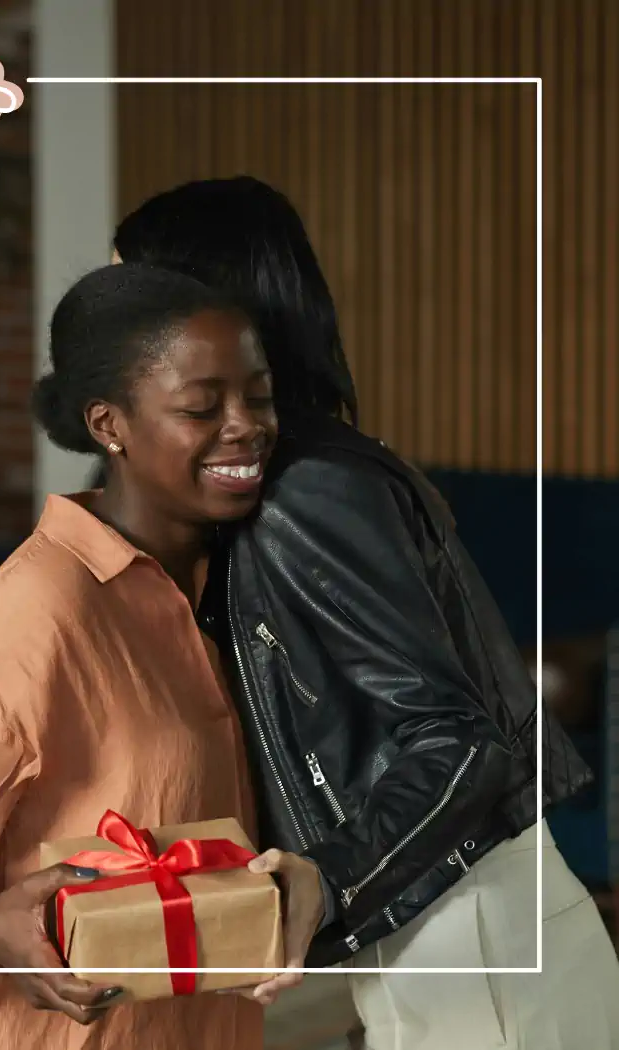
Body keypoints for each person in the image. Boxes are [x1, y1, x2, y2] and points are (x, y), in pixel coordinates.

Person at [112, 175, 619, 1049]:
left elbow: (461, 739)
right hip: (440, 934)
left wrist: (327, 882)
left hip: (476, 942)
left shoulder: (309, 488)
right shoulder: (271, 478)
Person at [0, 264, 324, 1050]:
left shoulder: (247, 585)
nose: (245, 425)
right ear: (110, 425)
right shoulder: (27, 619)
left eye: (258, 397)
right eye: (202, 407)